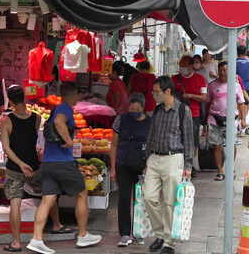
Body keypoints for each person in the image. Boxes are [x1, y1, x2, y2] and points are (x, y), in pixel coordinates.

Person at [27, 82, 102, 254]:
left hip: (48, 163)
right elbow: (60, 123)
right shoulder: (65, 109)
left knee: (47, 200)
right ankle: (83, 235)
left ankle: (36, 239)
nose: (78, 98)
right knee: (82, 193)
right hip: (62, 162)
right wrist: (68, 141)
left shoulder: (55, 109)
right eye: (77, 94)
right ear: (72, 94)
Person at [1, 85, 71, 252]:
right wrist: (27, 162)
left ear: (10, 101)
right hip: (34, 166)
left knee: (15, 203)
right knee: (49, 194)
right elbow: (31, 141)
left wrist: (20, 164)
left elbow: (6, 148)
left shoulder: (6, 120)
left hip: (15, 168)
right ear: (24, 98)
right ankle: (56, 224)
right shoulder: (37, 118)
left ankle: (16, 243)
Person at [144, 76, 193, 254]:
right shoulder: (157, 111)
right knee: (149, 197)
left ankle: (169, 242)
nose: (153, 95)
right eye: (153, 92)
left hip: (174, 159)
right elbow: (151, 136)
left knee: (169, 202)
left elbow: (188, 139)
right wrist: (147, 159)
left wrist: (188, 165)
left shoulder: (182, 110)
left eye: (156, 92)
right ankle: (160, 233)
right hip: (154, 159)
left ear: (168, 92)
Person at [109, 93, 151, 247]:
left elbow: (152, 147)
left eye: (136, 110)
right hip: (123, 164)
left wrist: (148, 166)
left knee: (141, 201)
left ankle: (139, 231)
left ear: (142, 108)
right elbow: (113, 145)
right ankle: (125, 234)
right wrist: (112, 168)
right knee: (124, 199)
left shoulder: (150, 122)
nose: (133, 112)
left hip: (142, 166)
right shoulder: (121, 119)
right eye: (130, 109)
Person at [206, 61, 247, 181]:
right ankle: (220, 170)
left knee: (231, 145)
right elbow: (208, 101)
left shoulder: (236, 86)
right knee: (217, 146)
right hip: (214, 119)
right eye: (221, 70)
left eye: (225, 70)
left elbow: (241, 103)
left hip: (231, 120)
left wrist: (243, 119)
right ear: (217, 72)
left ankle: (230, 168)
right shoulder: (212, 85)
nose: (223, 73)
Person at [172, 55, 207, 172]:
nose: (182, 69)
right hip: (176, 114)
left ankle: (191, 164)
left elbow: (204, 97)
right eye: (181, 66)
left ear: (191, 66)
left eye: (185, 66)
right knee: (178, 138)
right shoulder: (174, 79)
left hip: (194, 114)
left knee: (192, 140)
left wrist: (191, 96)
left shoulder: (200, 79)